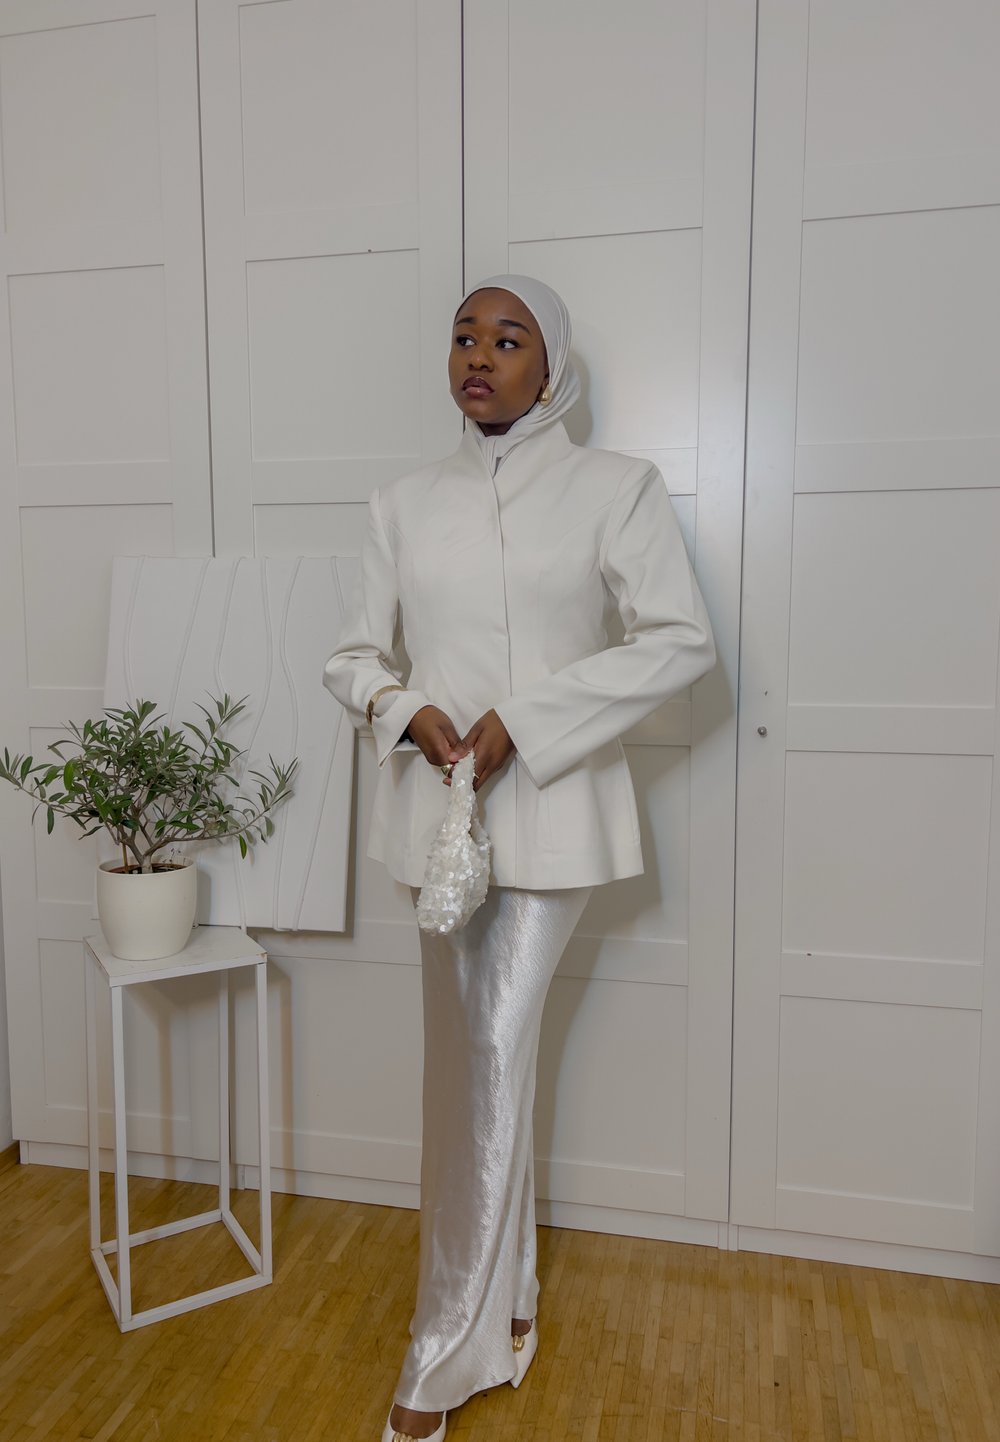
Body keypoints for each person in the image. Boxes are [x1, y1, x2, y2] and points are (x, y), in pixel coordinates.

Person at [323, 275, 717, 1442]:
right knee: (474, 1069)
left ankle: (437, 1358)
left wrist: (527, 721)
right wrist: (405, 708)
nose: (478, 356)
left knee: (486, 1060)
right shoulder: (401, 502)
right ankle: (509, 1310)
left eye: (507, 338)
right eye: (462, 336)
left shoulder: (616, 488)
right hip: (434, 821)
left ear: (553, 367)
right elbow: (351, 653)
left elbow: (680, 640)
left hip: (555, 821)